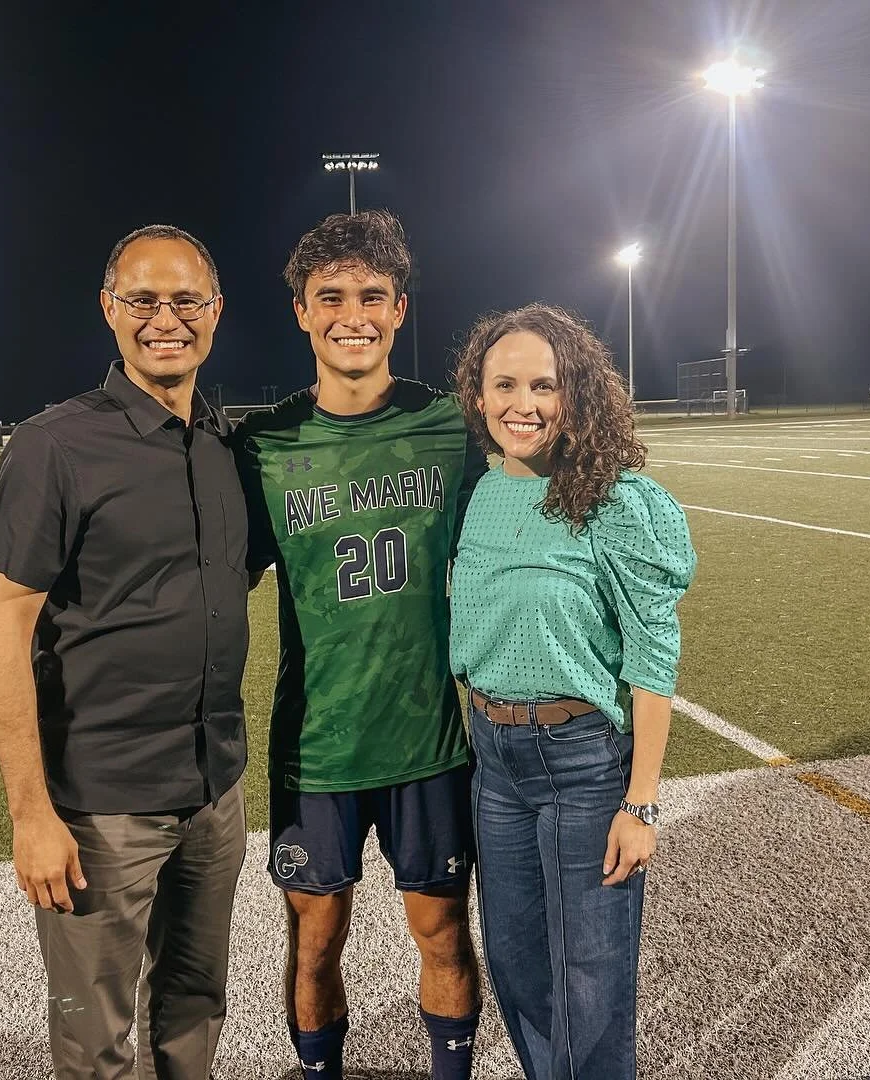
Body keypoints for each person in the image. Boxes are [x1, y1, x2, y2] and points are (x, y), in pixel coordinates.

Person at [0, 224, 248, 1080]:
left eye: (185, 301)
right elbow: (3, 628)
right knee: (96, 1046)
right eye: (142, 300)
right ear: (109, 308)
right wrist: (29, 815)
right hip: (101, 806)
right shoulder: (55, 446)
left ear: (216, 311)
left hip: (213, 790)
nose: (165, 319)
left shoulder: (224, 440)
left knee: (196, 1011)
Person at [234, 210, 488, 1080]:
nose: (353, 315)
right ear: (300, 311)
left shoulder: (453, 428)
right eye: (330, 296)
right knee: (315, 941)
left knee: (443, 931)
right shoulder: (261, 446)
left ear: (400, 310)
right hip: (316, 749)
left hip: (428, 742)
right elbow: (211, 578)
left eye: (372, 296)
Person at [448, 303, 696, 1080]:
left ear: (576, 396)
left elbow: (654, 656)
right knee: (519, 968)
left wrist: (642, 801)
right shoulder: (480, 491)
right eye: (505, 384)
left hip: (584, 762)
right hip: (492, 760)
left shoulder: (616, 500)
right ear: (478, 396)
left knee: (591, 985)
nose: (524, 404)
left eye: (544, 386)